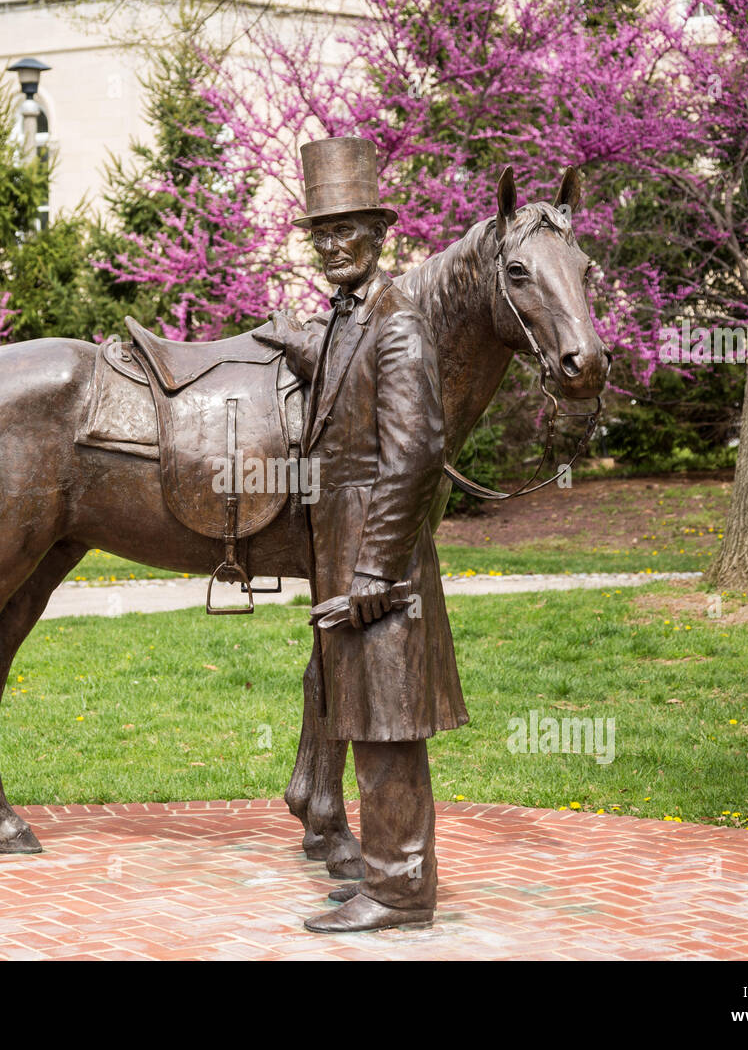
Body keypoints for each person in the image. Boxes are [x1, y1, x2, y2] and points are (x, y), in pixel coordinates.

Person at [254, 136, 468, 933]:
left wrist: (374, 573)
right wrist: (294, 340)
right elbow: (343, 367)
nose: (333, 246)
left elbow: (414, 456)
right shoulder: (350, 317)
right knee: (368, 719)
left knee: (389, 729)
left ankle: (402, 891)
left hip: (380, 560)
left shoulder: (400, 322)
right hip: (344, 547)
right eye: (321, 233)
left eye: (349, 231)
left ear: (380, 234)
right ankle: (387, 874)